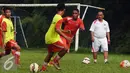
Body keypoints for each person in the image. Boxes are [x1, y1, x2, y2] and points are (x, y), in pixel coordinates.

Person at [41, 3, 72, 71]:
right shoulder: (60, 18)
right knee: (65, 49)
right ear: (64, 10)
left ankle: (43, 69)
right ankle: (55, 61)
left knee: (50, 53)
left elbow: (57, 28)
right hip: (52, 38)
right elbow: (57, 29)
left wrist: (65, 32)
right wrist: (67, 37)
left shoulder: (56, 16)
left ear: (57, 9)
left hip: (48, 37)